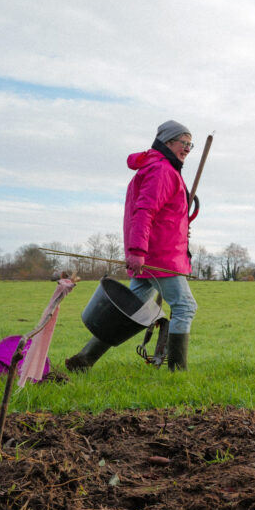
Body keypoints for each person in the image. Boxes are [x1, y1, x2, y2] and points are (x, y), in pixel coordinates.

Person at [66, 120, 199, 372]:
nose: (188, 149)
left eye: (191, 145)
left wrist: (183, 224)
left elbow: (164, 215)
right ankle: (177, 372)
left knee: (128, 311)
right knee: (185, 306)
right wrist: (137, 252)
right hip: (159, 257)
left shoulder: (160, 168)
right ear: (169, 142)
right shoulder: (162, 170)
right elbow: (144, 212)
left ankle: (84, 359)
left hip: (155, 253)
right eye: (184, 143)